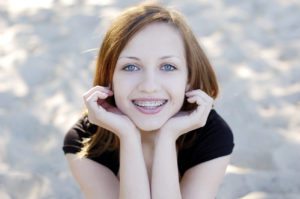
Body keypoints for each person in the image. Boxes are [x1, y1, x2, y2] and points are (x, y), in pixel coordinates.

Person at [63, 1, 234, 199]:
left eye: (168, 66)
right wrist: (128, 136)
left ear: (189, 79)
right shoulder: (85, 140)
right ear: (110, 78)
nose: (149, 86)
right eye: (131, 67)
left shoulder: (211, 134)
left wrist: (167, 137)